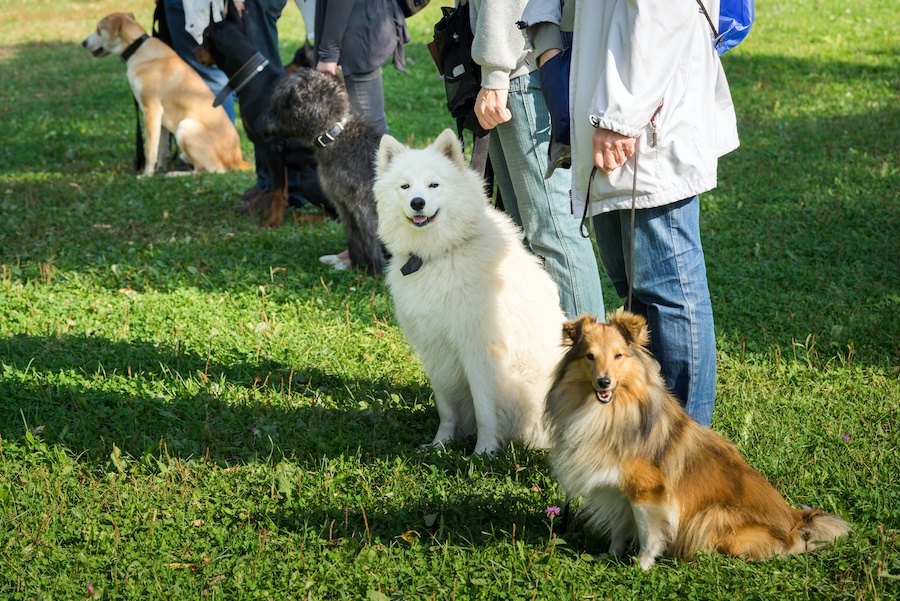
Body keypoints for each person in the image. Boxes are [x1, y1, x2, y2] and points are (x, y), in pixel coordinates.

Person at [522, 0, 740, 427]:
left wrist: (622, 116)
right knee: (636, 291)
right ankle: (647, 435)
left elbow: (664, 12)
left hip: (642, 118)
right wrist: (548, 48)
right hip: (604, 114)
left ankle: (685, 449)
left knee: (666, 294)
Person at [467, 0, 604, 321]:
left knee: (552, 231)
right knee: (524, 233)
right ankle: (550, 355)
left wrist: (495, 72)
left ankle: (588, 361)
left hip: (519, 68)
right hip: (518, 65)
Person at [313, 0, 409, 135]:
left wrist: (329, 52)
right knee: (366, 130)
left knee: (369, 132)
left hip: (356, 37)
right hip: (362, 28)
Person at [161, 0, 235, 122]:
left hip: (196, 7)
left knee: (212, 75)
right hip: (188, 7)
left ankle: (224, 136)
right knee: (192, 75)